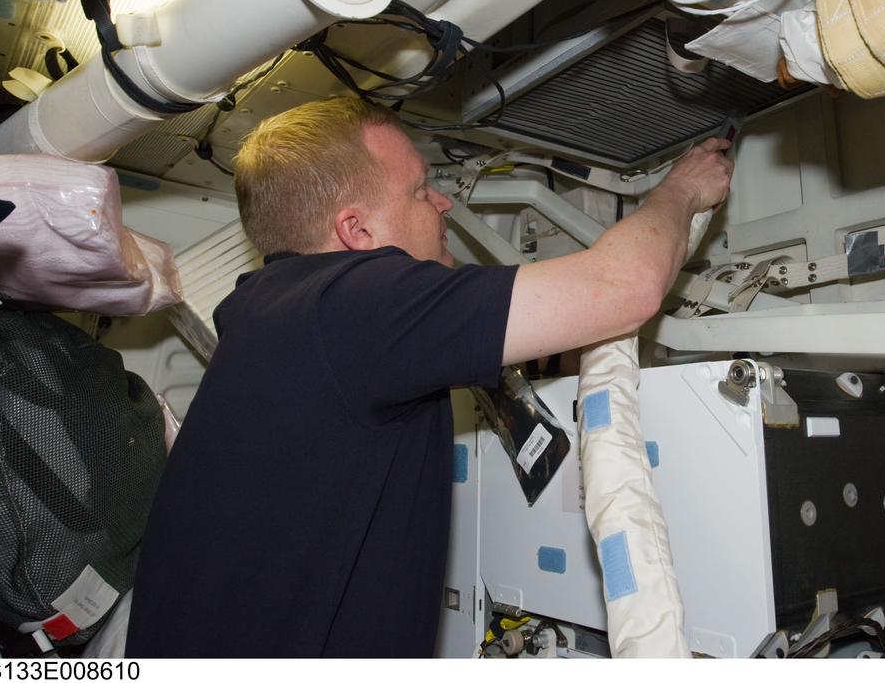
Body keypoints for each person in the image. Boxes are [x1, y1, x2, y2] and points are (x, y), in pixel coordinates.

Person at [126, 97, 732, 657]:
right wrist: (680, 191)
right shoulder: (351, 304)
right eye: (420, 190)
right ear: (356, 232)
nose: (442, 202)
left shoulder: (274, 319)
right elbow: (624, 288)